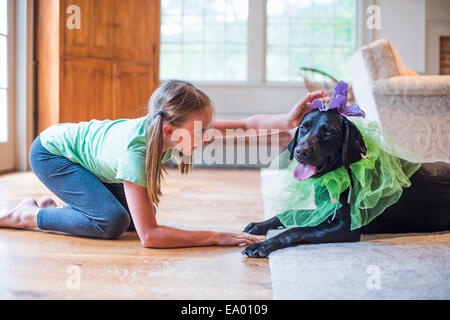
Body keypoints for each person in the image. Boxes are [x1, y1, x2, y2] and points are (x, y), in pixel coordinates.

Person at [0, 80, 325, 248]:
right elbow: (151, 238)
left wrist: (288, 118)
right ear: (170, 130)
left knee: (136, 217)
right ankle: (28, 215)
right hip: (52, 154)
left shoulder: (173, 131)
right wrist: (215, 237)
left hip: (87, 162)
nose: (207, 135)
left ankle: (48, 209)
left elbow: (248, 124)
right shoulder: (136, 152)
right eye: (201, 129)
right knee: (112, 222)